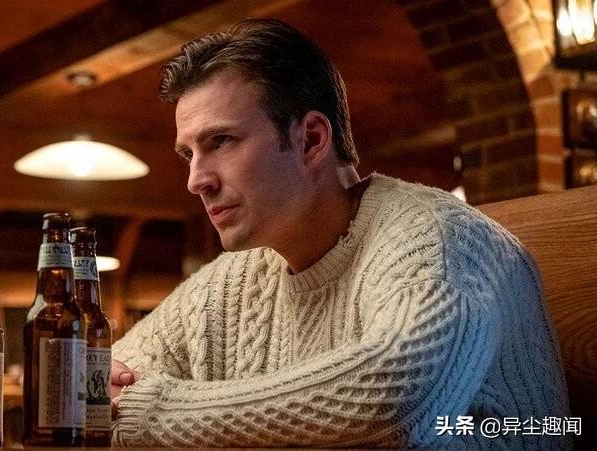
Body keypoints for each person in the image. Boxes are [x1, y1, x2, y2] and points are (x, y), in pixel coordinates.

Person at [109, 19, 570, 448]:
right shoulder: (235, 278)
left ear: (311, 139)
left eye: (220, 142)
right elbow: (106, 377)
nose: (196, 180)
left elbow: (394, 403)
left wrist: (154, 412)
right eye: (188, 154)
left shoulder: (437, 238)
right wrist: (108, 389)